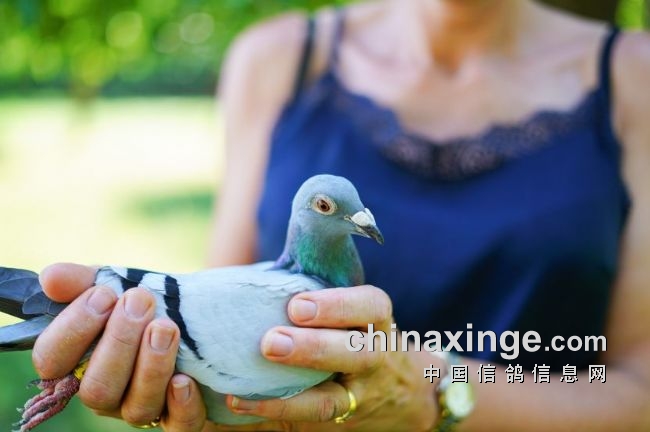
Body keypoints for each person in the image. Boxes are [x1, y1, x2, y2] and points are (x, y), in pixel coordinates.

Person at [32, 0, 650, 430]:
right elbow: (214, 317)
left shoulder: (636, 78)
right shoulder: (274, 59)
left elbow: (639, 394)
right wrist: (167, 380)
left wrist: (430, 391)